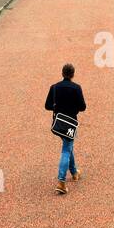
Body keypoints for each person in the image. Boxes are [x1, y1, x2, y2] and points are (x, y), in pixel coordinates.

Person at [45, 63, 86, 195]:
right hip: (70, 124)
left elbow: (47, 105)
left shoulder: (55, 87)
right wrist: (72, 108)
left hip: (58, 123)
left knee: (68, 146)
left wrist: (58, 108)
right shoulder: (76, 88)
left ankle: (74, 172)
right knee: (66, 149)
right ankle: (61, 181)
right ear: (73, 75)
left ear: (62, 73)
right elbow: (83, 107)